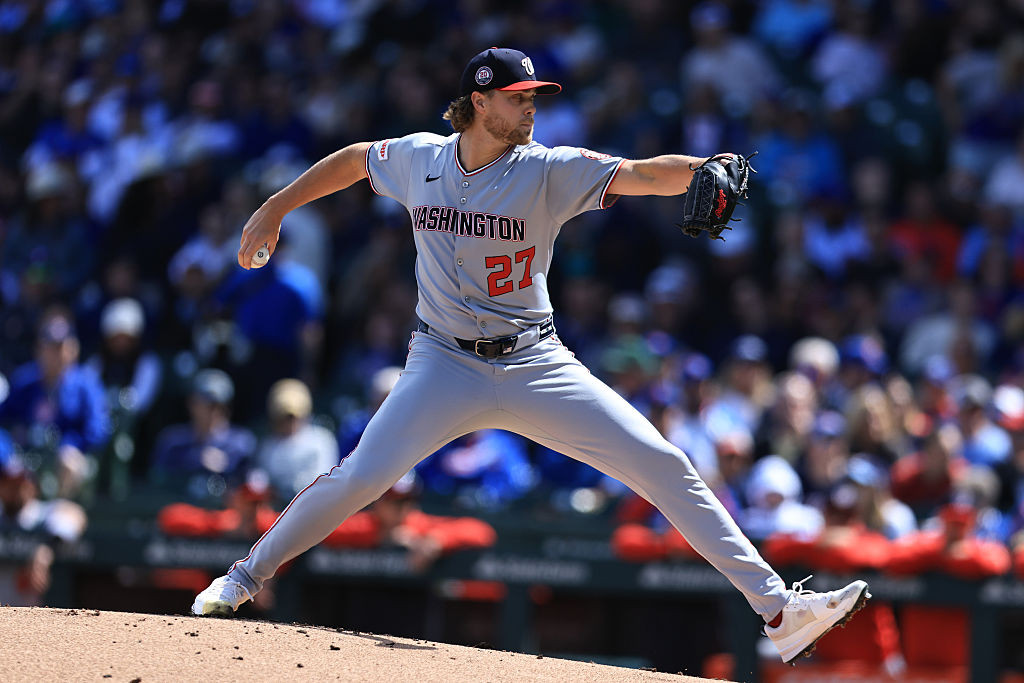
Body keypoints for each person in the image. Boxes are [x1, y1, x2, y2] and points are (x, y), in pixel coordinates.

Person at [192, 47, 869, 664]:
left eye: (534, 95)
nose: (531, 105)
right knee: (358, 477)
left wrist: (702, 168)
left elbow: (636, 174)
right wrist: (273, 210)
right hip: (442, 363)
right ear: (479, 102)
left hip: (534, 362)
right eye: (519, 96)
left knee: (662, 462)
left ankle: (780, 611)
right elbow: (355, 157)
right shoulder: (421, 159)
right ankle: (242, 577)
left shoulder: (545, 170)